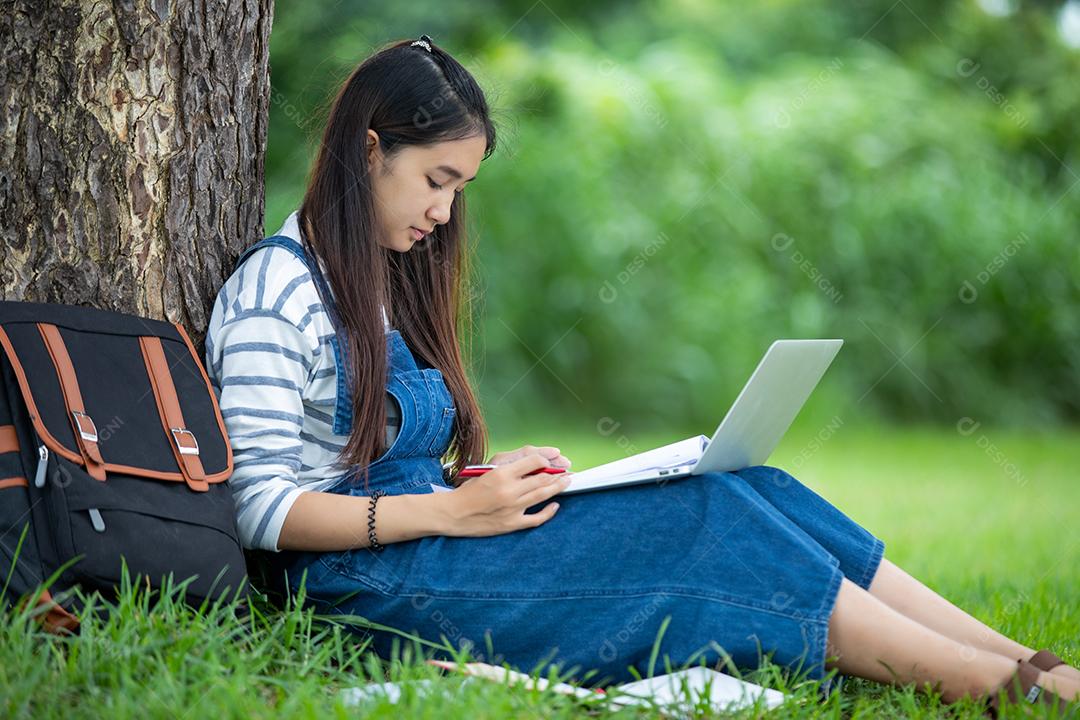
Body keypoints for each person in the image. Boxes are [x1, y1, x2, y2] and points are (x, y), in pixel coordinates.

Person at [204, 35, 1078, 713]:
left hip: (428, 540)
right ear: (368, 151)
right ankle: (1000, 690)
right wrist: (448, 511)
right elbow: (259, 508)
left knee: (753, 485)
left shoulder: (382, 280)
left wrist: (487, 487)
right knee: (707, 519)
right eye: (437, 179)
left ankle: (1021, 660)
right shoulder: (274, 294)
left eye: (460, 188)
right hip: (365, 591)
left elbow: (388, 455)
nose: (444, 210)